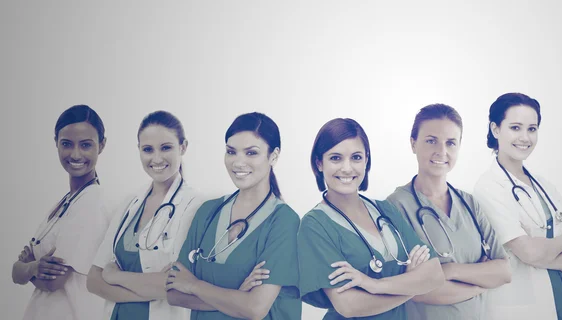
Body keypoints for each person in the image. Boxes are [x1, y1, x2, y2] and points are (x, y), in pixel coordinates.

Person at [297, 118, 445, 319]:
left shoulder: (384, 210)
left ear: (366, 160)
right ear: (319, 163)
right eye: (335, 158)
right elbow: (349, 306)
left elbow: (435, 274)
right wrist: (411, 285)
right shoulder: (315, 225)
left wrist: (374, 285)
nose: (347, 168)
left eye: (356, 157)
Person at [166, 112, 301, 320]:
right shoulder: (207, 212)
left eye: (251, 153)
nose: (238, 162)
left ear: (273, 156)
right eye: (231, 152)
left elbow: (255, 308)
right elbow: (174, 293)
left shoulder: (284, 221)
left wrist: (194, 285)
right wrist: (237, 296)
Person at [386, 104, 511, 320]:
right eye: (431, 140)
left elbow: (504, 272)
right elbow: (414, 290)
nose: (441, 151)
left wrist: (451, 270)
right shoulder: (395, 207)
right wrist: (480, 284)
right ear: (413, 143)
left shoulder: (469, 204)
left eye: (450, 143)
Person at [473, 93, 562, 320]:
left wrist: (539, 255)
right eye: (515, 128)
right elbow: (529, 251)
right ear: (496, 130)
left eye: (532, 129)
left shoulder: (544, 185)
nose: (525, 137)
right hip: (523, 304)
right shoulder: (489, 187)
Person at [87, 110, 203, 320]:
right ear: (139, 150)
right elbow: (93, 280)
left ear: (183, 147)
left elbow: (176, 286)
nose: (156, 158)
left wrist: (114, 276)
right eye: (148, 149)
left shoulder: (195, 206)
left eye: (166, 147)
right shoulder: (130, 203)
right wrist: (148, 287)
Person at [12, 105, 110, 320]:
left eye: (85, 145)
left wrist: (27, 268)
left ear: (101, 145)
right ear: (56, 142)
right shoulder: (66, 202)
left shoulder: (91, 204)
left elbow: (53, 282)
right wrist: (30, 268)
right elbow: (16, 273)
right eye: (67, 144)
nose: (75, 154)